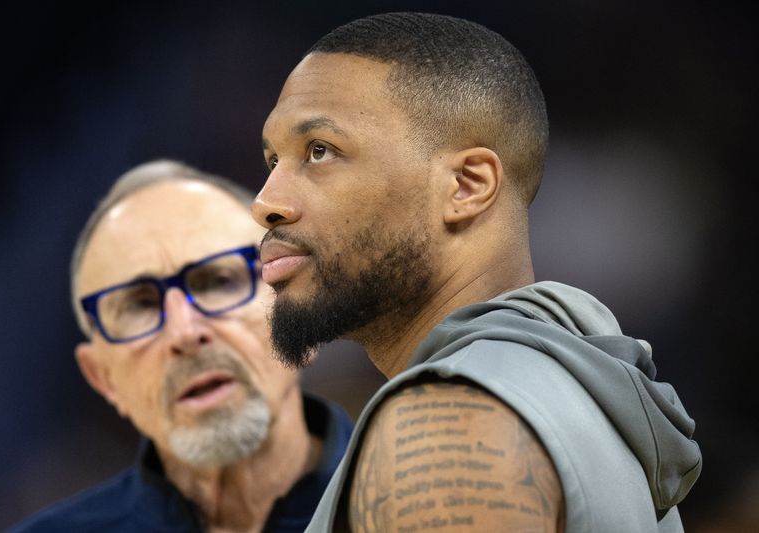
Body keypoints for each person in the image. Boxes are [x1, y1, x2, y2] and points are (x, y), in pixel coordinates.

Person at [252, 12, 701, 533]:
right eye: (272, 161)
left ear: (466, 186)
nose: (267, 203)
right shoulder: (576, 388)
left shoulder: (452, 423)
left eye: (320, 151)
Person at [9, 160, 354, 533]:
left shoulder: (413, 500)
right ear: (103, 378)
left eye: (218, 281)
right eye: (139, 306)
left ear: (299, 315)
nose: (185, 333)